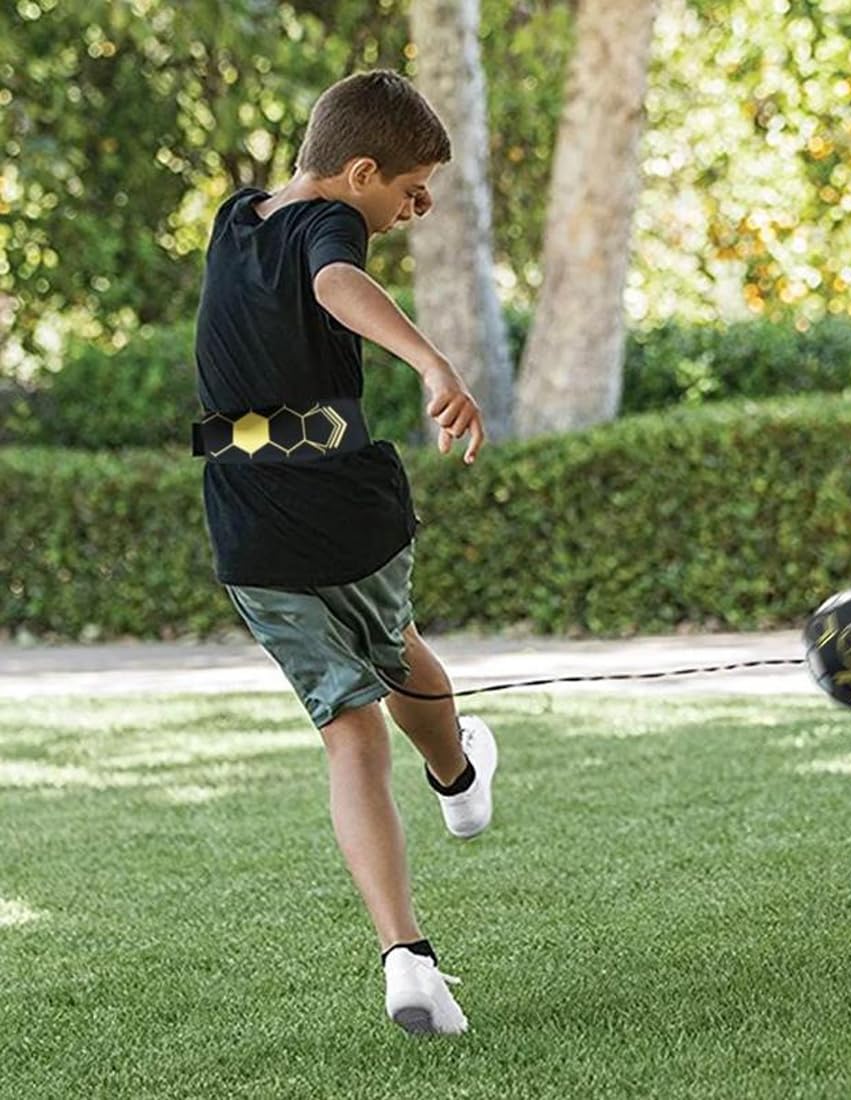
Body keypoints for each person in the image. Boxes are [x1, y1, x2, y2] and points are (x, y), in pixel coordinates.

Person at [193, 69, 496, 1037]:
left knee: (348, 732)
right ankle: (456, 775)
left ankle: (405, 957)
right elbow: (333, 279)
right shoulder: (332, 228)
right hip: (344, 509)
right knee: (393, 646)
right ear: (358, 172)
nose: (419, 207)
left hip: (246, 527)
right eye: (409, 190)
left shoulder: (235, 216)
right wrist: (430, 360)